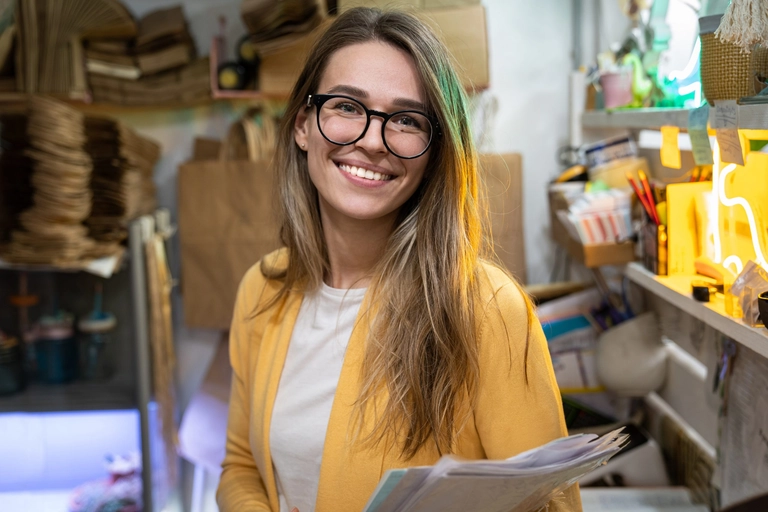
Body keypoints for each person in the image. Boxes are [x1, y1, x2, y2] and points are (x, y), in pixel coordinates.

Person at [217, 7, 582, 512]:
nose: (371, 140)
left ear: (434, 150)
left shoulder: (487, 309)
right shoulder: (263, 288)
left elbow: (552, 506)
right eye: (346, 106)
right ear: (304, 125)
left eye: (407, 119)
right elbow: (239, 464)